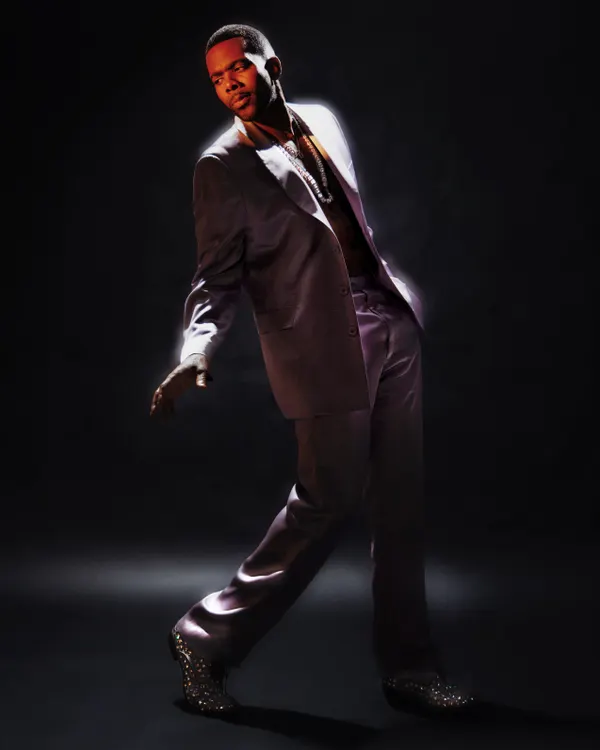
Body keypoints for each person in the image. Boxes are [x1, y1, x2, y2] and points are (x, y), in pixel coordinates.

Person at [151, 23, 475, 718]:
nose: (230, 84)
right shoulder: (222, 167)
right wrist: (195, 352)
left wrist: (392, 304)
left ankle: (411, 668)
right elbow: (215, 279)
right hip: (323, 345)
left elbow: (348, 224)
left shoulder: (321, 120)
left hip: (390, 322)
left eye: (239, 68)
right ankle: (203, 637)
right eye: (218, 79)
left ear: (271, 64)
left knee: (401, 505)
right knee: (326, 500)